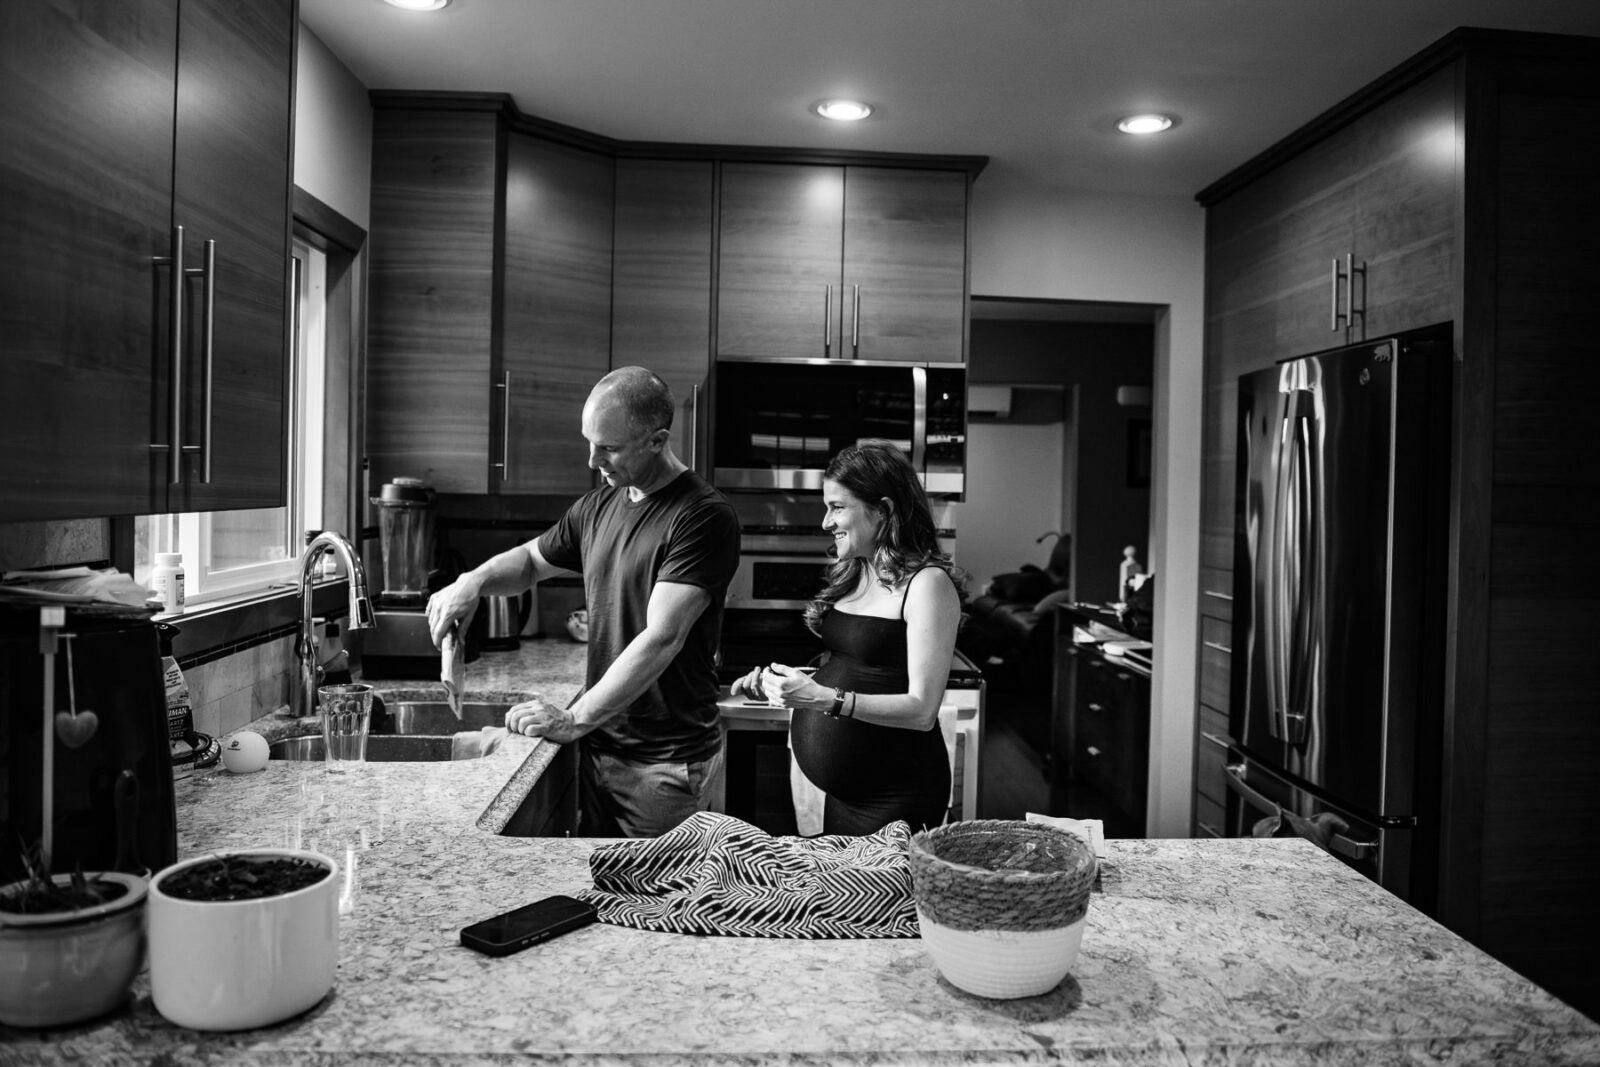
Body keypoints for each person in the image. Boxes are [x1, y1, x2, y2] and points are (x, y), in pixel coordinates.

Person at [426, 367, 740, 838]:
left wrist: (575, 718)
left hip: (664, 765)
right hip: (600, 748)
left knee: (658, 889)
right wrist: (472, 580)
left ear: (657, 441)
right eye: (589, 442)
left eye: (609, 447)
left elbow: (662, 637)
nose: (593, 460)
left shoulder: (702, 516)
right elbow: (529, 562)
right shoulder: (598, 507)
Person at [731, 441, 963, 836]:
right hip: (844, 797)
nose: (826, 522)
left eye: (837, 507)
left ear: (883, 510)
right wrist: (786, 686)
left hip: (897, 795)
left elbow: (922, 711)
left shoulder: (927, 584)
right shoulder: (858, 571)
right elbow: (864, 668)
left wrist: (822, 698)